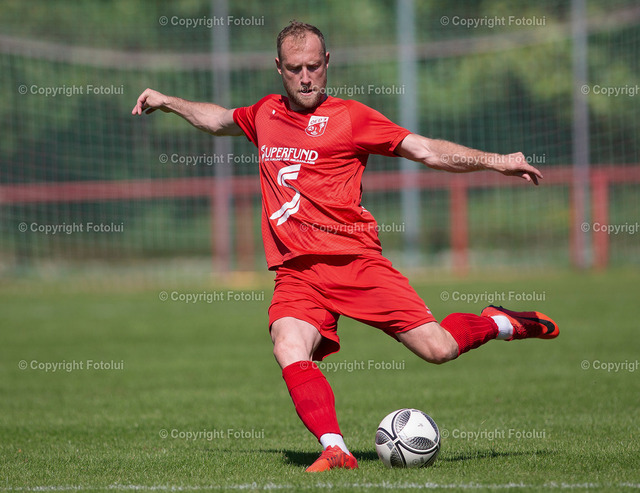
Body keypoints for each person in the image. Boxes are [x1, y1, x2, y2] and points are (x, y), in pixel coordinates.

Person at [132, 21, 559, 472]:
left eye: (314, 66)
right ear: (278, 68)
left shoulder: (351, 118)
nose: (305, 78)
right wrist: (168, 101)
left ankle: (499, 322)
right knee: (288, 344)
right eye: (294, 68)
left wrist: (497, 161)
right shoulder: (263, 114)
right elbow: (217, 120)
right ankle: (335, 449)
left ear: (327, 62)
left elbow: (426, 151)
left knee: (439, 349)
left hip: (356, 264)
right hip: (297, 272)